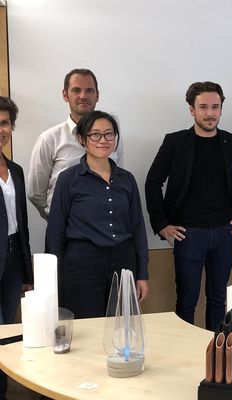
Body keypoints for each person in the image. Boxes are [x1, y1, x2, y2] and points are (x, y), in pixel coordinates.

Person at [145, 82, 232, 330]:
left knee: (218, 299)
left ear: (221, 109)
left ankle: (215, 355)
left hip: (224, 233)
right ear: (191, 109)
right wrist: (162, 225)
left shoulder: (231, 142)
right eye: (203, 107)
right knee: (187, 300)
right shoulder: (175, 142)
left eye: (215, 107)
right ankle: (186, 356)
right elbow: (152, 182)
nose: (209, 113)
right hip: (188, 233)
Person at [47, 111, 148, 319]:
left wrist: (142, 275)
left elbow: (138, 228)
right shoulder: (68, 179)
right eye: (95, 135)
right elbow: (56, 230)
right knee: (87, 327)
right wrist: (55, 277)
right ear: (82, 139)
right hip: (82, 264)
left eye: (109, 134)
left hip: (123, 263)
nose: (103, 140)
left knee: (122, 326)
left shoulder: (126, 179)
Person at [27, 68, 123, 220]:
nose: (83, 96)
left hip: (106, 226)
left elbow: (118, 181)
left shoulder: (113, 137)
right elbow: (35, 193)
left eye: (89, 91)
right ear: (65, 95)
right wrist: (56, 217)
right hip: (66, 229)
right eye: (76, 90)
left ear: (97, 95)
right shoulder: (49, 139)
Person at [0, 97, 33, 400]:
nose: (0, 129)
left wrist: (27, 270)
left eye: (4, 123)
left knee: (7, 329)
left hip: (12, 258)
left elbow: (21, 224)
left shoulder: (16, 170)